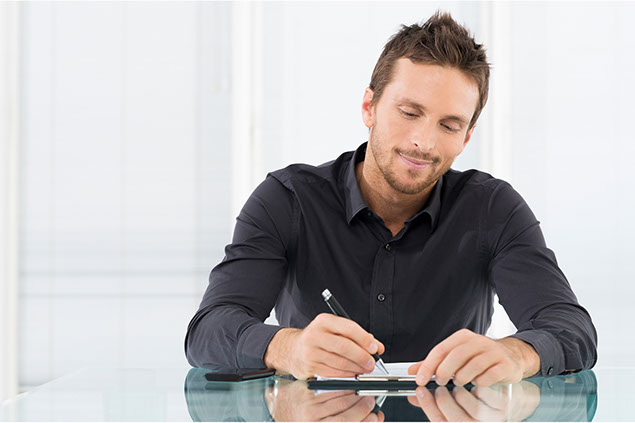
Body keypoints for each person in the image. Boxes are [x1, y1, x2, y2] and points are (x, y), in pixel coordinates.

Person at [185, 11, 597, 387]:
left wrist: (515, 353)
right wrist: (287, 348)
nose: (423, 141)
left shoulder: (493, 208)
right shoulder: (287, 200)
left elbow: (571, 328)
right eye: (410, 112)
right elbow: (208, 330)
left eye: (449, 125)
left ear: (467, 137)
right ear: (370, 107)